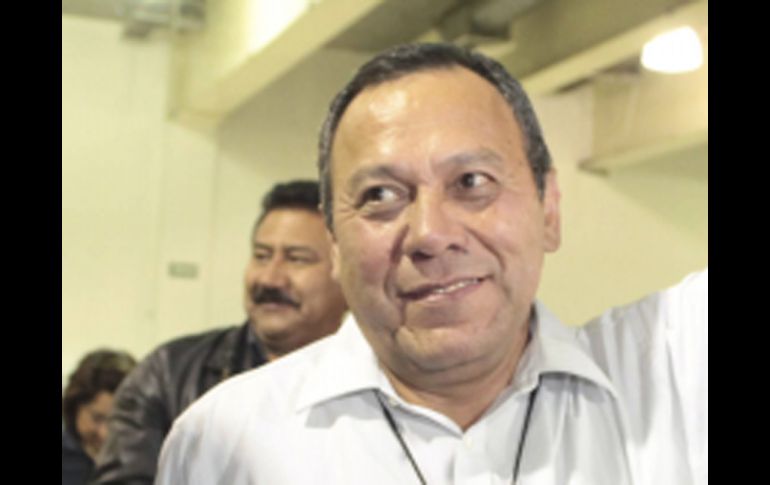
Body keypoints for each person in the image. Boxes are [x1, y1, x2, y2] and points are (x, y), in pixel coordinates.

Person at [154, 43, 708, 485]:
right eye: (380, 196)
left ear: (549, 210)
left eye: (471, 182)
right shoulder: (227, 443)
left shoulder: (670, 380)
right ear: (335, 242)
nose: (430, 234)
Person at [92, 180, 348, 485]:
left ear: (346, 272)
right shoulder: (168, 374)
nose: (270, 278)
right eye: (262, 255)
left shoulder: (380, 383)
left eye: (296, 259)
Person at [62, 349, 136, 485]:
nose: (104, 433)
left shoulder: (142, 458)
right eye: (96, 418)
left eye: (116, 420)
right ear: (75, 408)